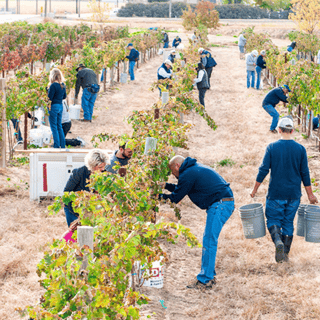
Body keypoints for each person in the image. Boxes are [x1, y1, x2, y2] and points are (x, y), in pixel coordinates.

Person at [159, 155, 234, 290]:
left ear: (177, 166)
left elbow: (176, 197)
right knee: (209, 239)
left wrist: (157, 197)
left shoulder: (188, 173)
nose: (173, 175)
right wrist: (165, 186)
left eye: (172, 171)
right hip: (223, 203)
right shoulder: (192, 170)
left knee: (209, 240)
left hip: (220, 205)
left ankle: (205, 281)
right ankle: (208, 276)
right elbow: (182, 188)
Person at [251, 117, 318, 263]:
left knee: (273, 219)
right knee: (288, 222)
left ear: (279, 130)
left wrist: (255, 189)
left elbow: (263, 170)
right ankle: (285, 256)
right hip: (294, 195)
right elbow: (305, 174)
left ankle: (278, 242)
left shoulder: (272, 147)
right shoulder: (300, 149)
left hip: (276, 193)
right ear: (292, 130)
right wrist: (310, 195)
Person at [64, 149, 108, 226]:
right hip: (74, 210)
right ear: (92, 166)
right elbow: (67, 192)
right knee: (76, 234)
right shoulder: (78, 173)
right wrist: (77, 212)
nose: (103, 169)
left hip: (92, 210)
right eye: (100, 167)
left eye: (104, 166)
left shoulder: (104, 174)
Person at [48, 68, 66, 149]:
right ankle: (62, 145)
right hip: (60, 106)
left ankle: (56, 145)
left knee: (54, 127)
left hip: (53, 106)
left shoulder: (53, 85)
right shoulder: (63, 85)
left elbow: (50, 98)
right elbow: (64, 96)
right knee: (59, 126)